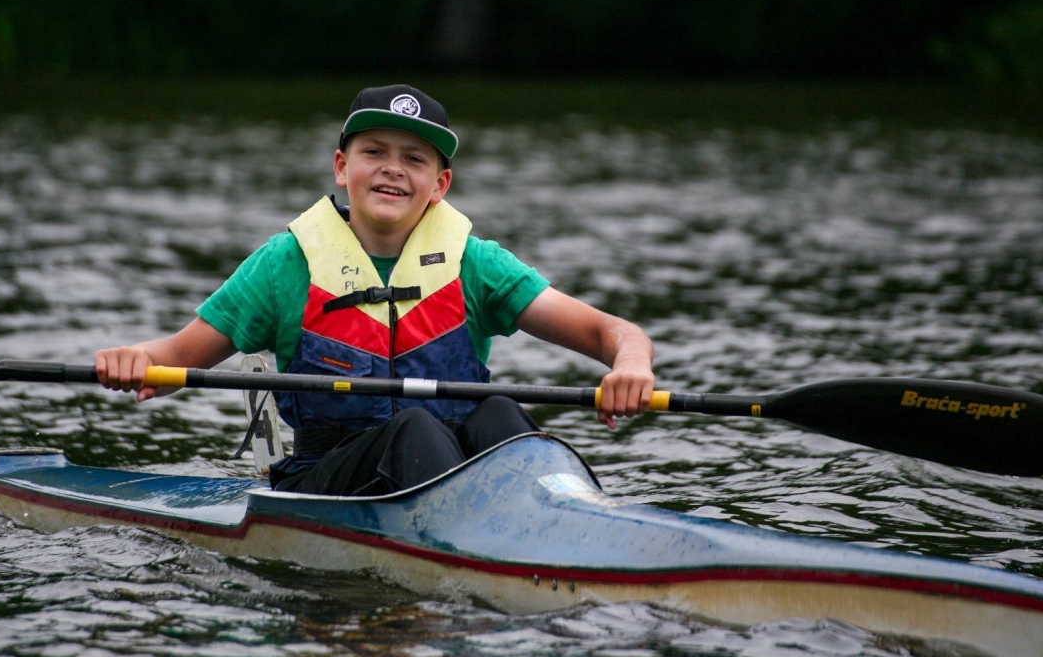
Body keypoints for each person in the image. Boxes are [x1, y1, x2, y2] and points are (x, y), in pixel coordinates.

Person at [95, 84, 655, 496]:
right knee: (412, 425)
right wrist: (132, 361)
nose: (393, 170)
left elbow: (614, 333)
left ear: (440, 185)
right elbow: (174, 359)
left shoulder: (476, 265)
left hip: (464, 489)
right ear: (342, 168)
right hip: (325, 485)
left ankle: (566, 525)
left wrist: (629, 366)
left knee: (498, 415)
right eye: (374, 153)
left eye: (414, 159)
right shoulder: (284, 265)